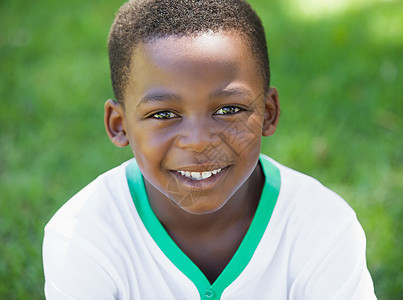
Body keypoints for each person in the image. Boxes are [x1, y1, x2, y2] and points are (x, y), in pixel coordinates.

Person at [42, 0, 376, 299]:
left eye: (229, 109)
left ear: (268, 114)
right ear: (119, 125)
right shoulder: (81, 236)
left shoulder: (323, 227)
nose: (200, 140)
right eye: (163, 114)